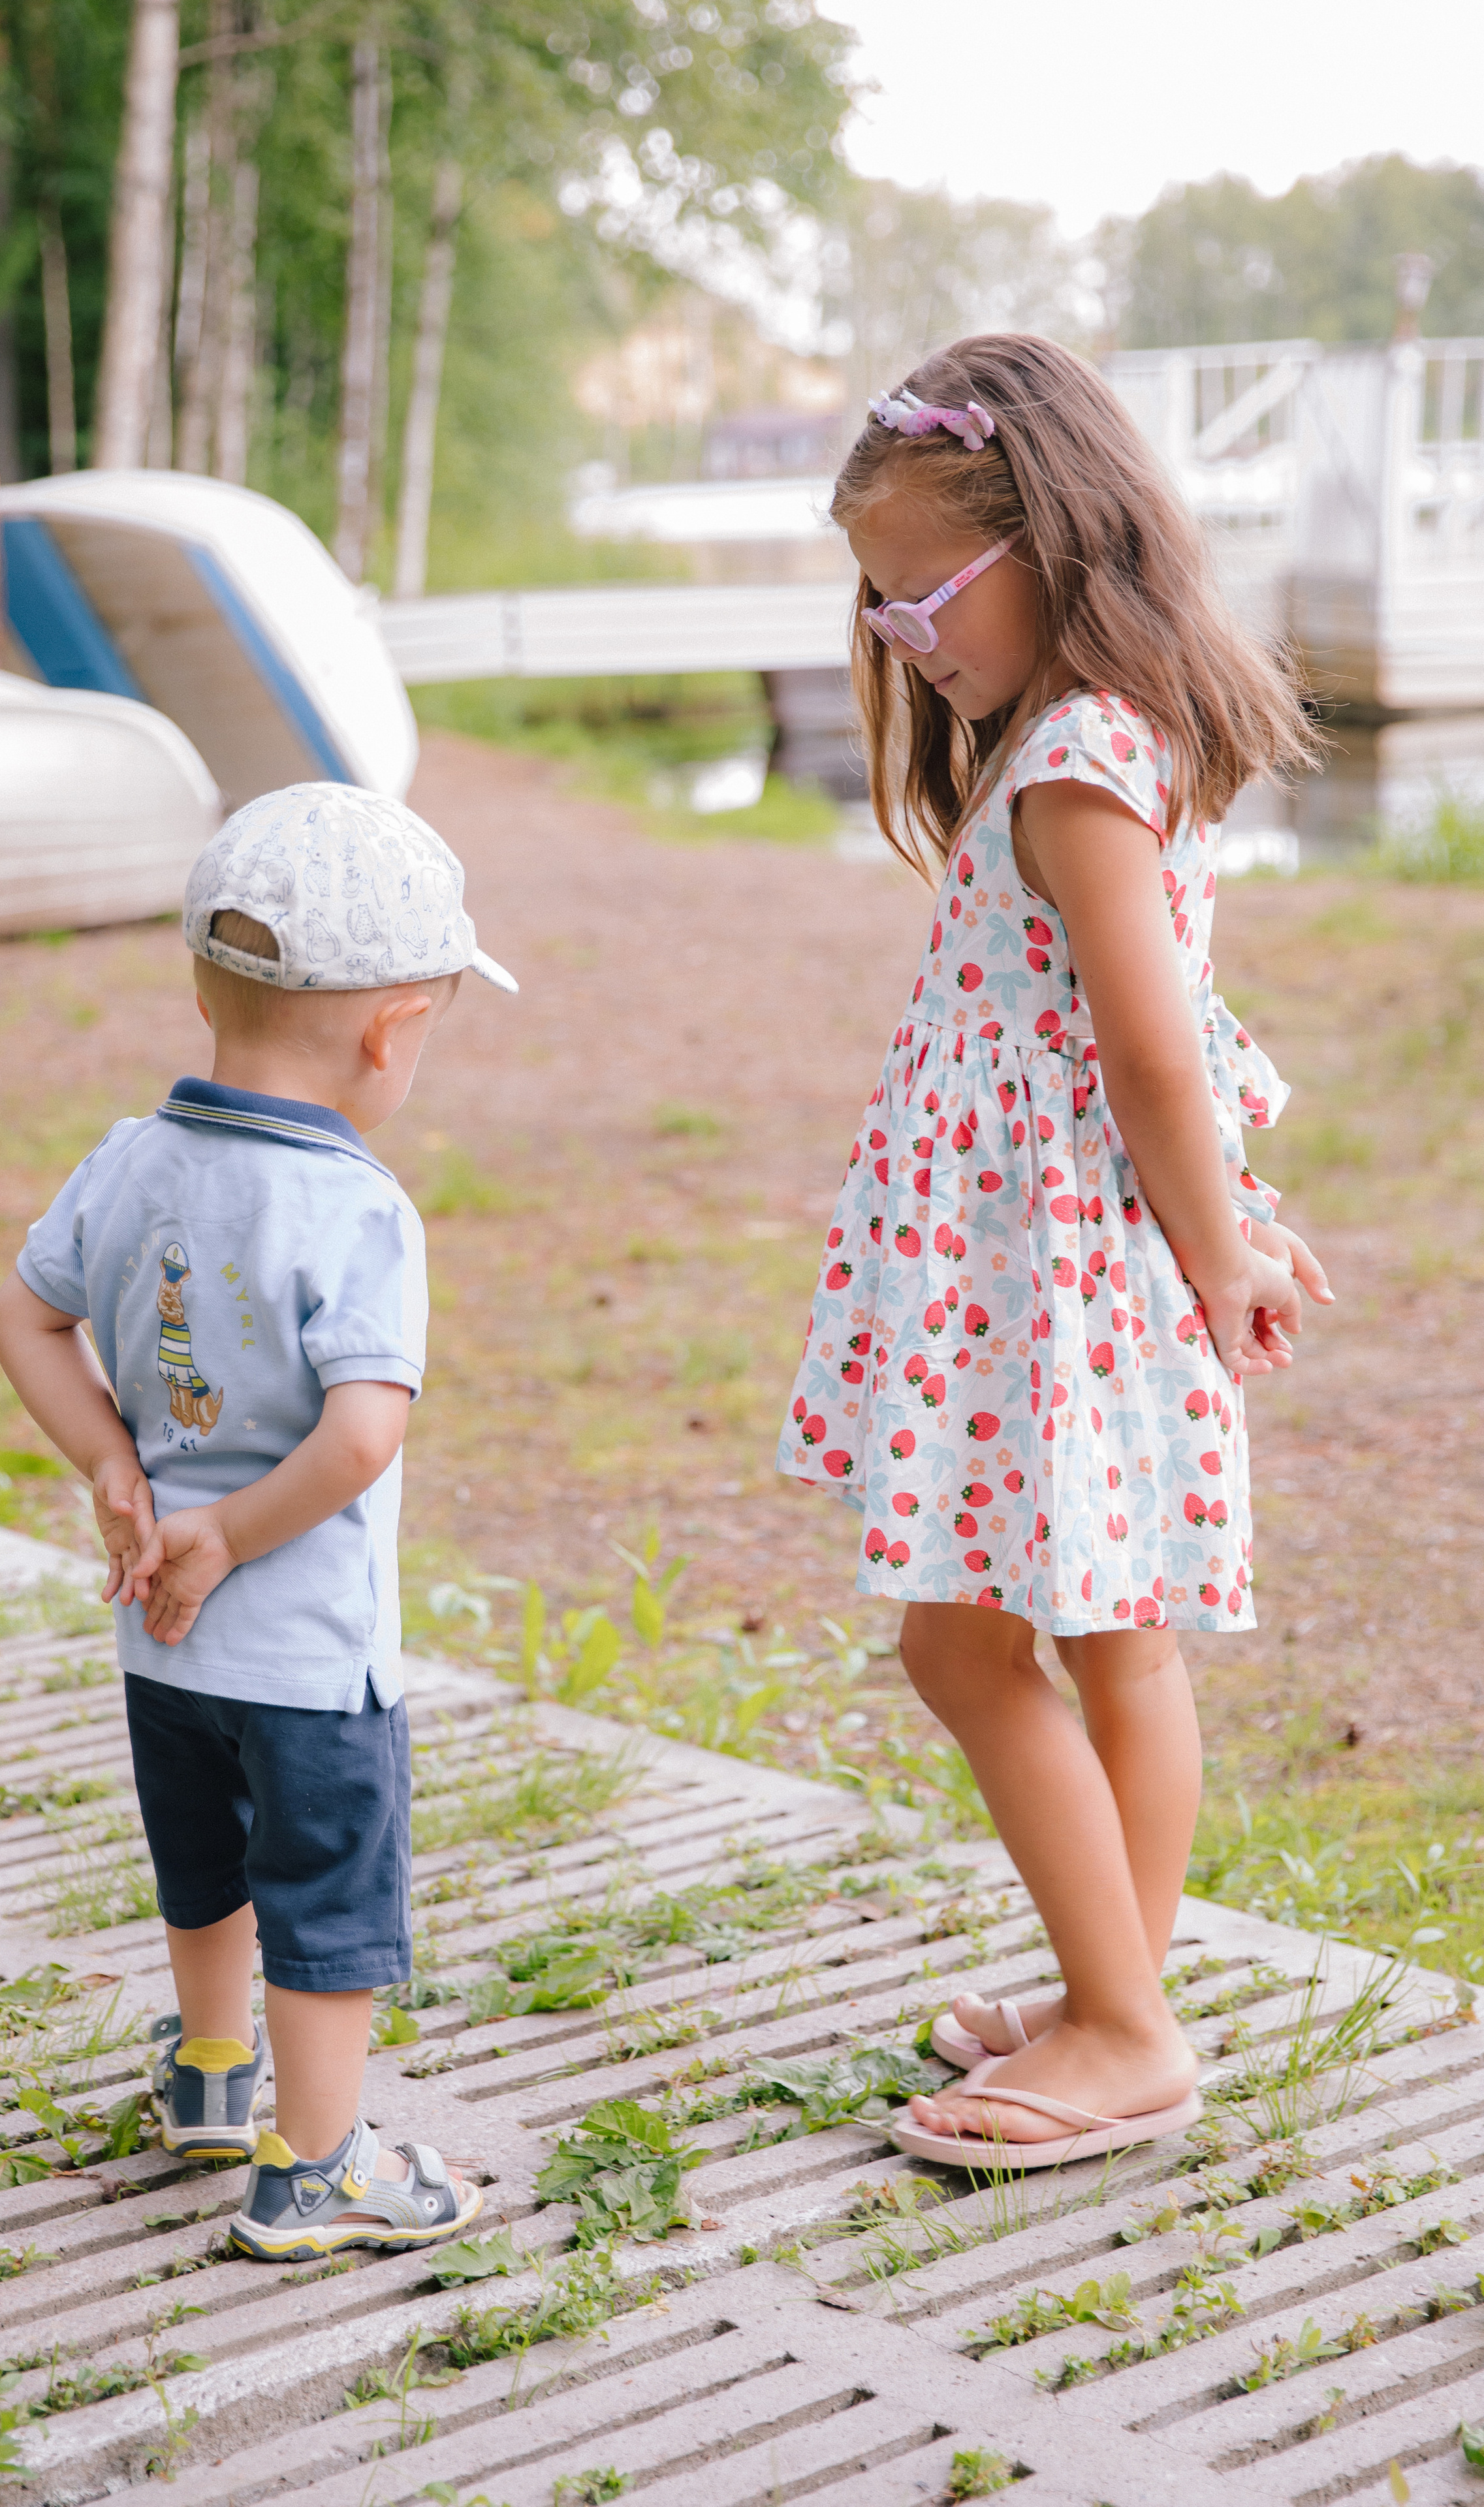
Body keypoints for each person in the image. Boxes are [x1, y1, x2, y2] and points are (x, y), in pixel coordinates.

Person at [778, 336, 1333, 2169]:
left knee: (984, 1647)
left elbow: (1153, 1041)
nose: (892, 632)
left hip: (1054, 1283)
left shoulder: (1082, 759)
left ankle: (1122, 2027)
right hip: (1054, 1268)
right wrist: (1217, 1227)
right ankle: (1121, 1992)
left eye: (914, 589)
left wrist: (1217, 1244)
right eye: (872, 600)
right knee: (1103, 1642)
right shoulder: (1092, 736)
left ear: (1048, 543)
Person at [0, 782, 518, 2256]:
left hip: (163, 1645)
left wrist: (111, 1462)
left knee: (207, 1866)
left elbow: (23, 1317)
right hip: (303, 1657)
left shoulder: (132, 1161)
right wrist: (232, 1533)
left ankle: (212, 2076)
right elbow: (361, 1433)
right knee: (323, 1903)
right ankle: (317, 2163)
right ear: (390, 1028)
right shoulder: (357, 1209)